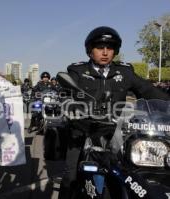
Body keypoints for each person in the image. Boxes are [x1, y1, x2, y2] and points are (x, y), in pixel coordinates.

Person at [58, 26, 170, 199]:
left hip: (115, 132)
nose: (105, 52)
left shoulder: (125, 72)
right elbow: (65, 94)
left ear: (115, 51)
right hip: (83, 130)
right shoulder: (78, 71)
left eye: (109, 48)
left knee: (135, 171)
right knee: (70, 175)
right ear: (90, 51)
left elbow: (149, 91)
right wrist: (70, 106)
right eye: (99, 47)